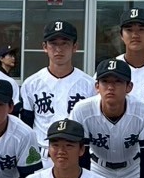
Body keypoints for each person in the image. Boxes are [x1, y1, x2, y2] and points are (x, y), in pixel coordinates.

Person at [21, 20, 93, 151]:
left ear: (75, 47)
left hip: (75, 153)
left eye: (65, 43)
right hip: (42, 152)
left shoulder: (89, 84)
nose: (59, 49)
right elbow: (26, 125)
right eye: (53, 43)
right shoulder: (31, 83)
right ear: (45, 47)